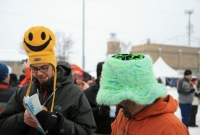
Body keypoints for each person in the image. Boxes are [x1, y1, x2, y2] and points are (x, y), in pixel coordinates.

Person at [0, 26, 96, 135]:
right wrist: (22, 118)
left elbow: (88, 131)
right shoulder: (24, 91)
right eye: (34, 68)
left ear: (53, 66)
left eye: (44, 67)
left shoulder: (74, 93)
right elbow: (2, 126)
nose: (39, 73)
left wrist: (58, 123)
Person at [96, 54, 189, 135]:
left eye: (119, 97)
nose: (116, 103)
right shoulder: (124, 114)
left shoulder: (172, 129)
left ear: (135, 94)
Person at [84, 62, 118, 135]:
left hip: (116, 131)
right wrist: (98, 111)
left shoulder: (116, 91)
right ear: (99, 76)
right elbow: (83, 114)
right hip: (97, 132)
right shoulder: (88, 93)